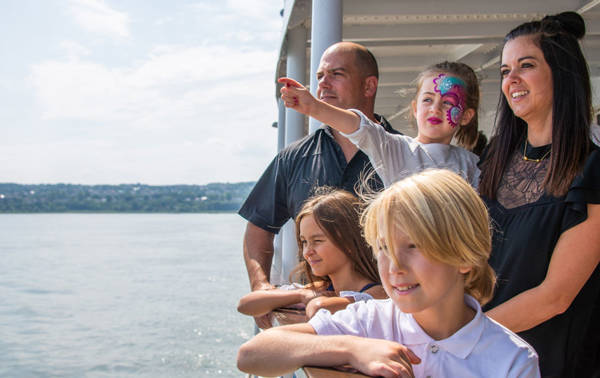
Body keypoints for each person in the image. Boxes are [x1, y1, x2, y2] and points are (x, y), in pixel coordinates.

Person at [237, 169, 540, 378]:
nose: (395, 267)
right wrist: (353, 347)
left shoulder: (512, 361)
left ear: (464, 255)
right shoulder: (370, 320)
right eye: (383, 247)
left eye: (414, 245)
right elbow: (253, 353)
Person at [238, 42, 400, 328]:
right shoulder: (294, 157)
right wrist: (261, 285)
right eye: (320, 76)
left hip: (388, 314)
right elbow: (259, 227)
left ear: (369, 86)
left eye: (336, 74)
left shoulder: (403, 155)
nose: (323, 84)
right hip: (311, 315)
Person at [478, 11, 600, 377]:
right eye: (504, 71)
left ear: (562, 74)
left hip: (554, 363)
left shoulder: (593, 168)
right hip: (484, 360)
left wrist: (465, 334)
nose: (511, 80)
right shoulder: (493, 162)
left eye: (525, 66)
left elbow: (556, 297)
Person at [279, 61, 480, 188]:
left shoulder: (472, 164)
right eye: (427, 100)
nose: (435, 109)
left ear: (466, 116)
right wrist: (315, 108)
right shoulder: (398, 149)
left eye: (447, 103)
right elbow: (362, 128)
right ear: (415, 108)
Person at [237, 189, 387, 321]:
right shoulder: (320, 288)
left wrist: (308, 298)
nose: (307, 252)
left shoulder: (378, 293)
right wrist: (300, 295)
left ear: (348, 242)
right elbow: (245, 304)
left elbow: (319, 307)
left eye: (317, 241)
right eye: (304, 242)